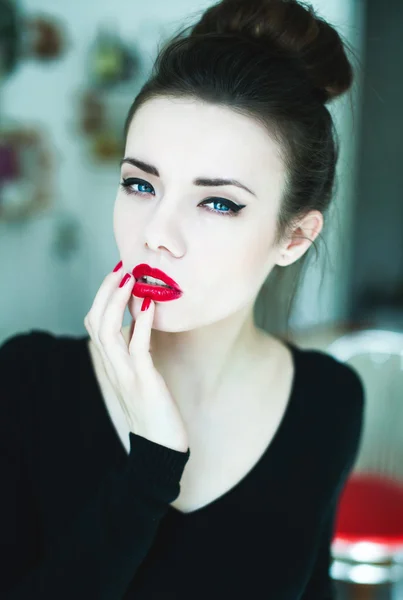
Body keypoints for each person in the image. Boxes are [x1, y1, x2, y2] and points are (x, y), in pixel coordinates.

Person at [0, 0, 365, 598]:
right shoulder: (27, 383)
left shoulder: (328, 401)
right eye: (140, 184)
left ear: (294, 237)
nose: (155, 235)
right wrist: (151, 470)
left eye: (217, 202)